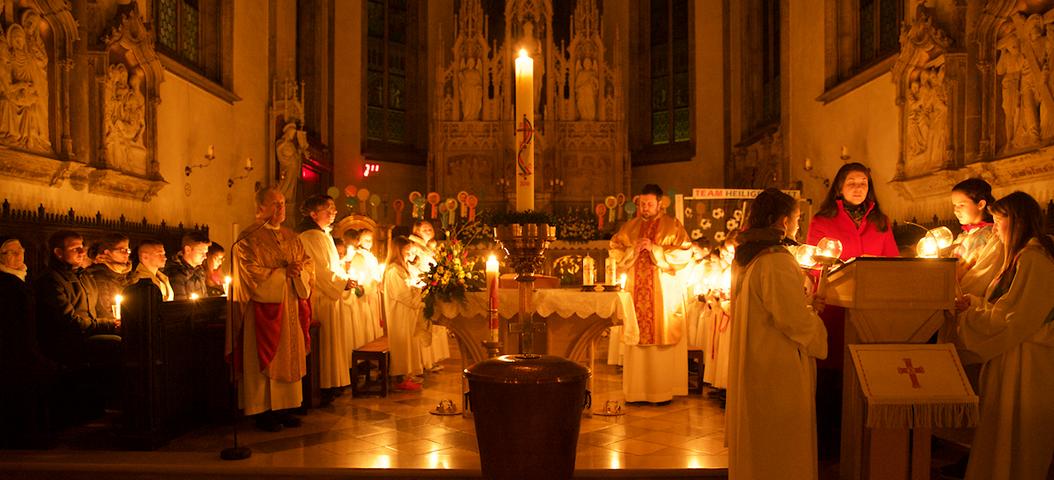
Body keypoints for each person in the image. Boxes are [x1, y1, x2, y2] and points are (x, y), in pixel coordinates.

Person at [947, 191, 1054, 480]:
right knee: (1000, 439)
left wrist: (969, 316)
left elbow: (1012, 321)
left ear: (1016, 221)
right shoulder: (1022, 256)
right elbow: (1005, 306)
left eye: (998, 221)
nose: (994, 228)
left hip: (1029, 363)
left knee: (1018, 441)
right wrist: (974, 303)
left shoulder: (1035, 260)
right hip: (1013, 358)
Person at [727, 188, 828, 480]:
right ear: (783, 221)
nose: (798, 225)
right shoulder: (776, 259)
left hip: (755, 357)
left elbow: (763, 305)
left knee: (758, 442)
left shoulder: (747, 254)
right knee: (780, 446)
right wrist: (814, 324)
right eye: (796, 218)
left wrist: (805, 302)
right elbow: (792, 320)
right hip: (776, 363)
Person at [805, 162, 898, 458]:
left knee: (862, 371)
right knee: (833, 377)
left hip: (870, 307)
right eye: (852, 183)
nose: (858, 188)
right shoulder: (823, 219)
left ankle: (860, 440)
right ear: (839, 188)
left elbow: (892, 259)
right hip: (834, 305)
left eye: (863, 183)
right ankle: (828, 444)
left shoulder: (881, 220)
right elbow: (814, 260)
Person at [228, 187, 314, 432]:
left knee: (290, 356)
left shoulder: (292, 236)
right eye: (274, 204)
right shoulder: (248, 238)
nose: (280, 208)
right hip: (264, 309)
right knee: (266, 355)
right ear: (260, 207)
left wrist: (300, 270)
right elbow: (249, 273)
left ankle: (285, 407)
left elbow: (308, 263)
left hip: (291, 305)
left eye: (283, 203)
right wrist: (281, 273)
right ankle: (263, 411)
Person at [609, 184, 692, 404]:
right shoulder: (629, 227)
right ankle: (636, 392)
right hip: (635, 293)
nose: (645, 208)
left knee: (660, 340)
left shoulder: (672, 225)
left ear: (659, 203)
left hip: (663, 294)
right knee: (636, 339)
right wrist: (632, 251)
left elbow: (685, 252)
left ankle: (662, 392)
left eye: (649, 204)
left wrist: (655, 250)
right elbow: (614, 249)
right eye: (642, 204)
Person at [34, 230, 120, 424]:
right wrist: (106, 324)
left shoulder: (84, 276)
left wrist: (113, 321)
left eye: (83, 247)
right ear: (58, 252)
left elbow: (94, 311)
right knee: (115, 344)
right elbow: (67, 320)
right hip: (64, 340)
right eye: (75, 248)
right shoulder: (50, 280)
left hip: (86, 333)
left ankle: (107, 406)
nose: (82, 252)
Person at [297, 195, 356, 403]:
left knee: (334, 339)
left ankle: (333, 382)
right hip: (322, 296)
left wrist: (343, 279)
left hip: (330, 294)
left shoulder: (322, 235)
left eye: (333, 208)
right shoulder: (311, 236)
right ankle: (324, 384)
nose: (333, 212)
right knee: (327, 341)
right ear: (313, 214)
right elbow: (319, 270)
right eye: (328, 209)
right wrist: (341, 282)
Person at [0, 235, 54, 447]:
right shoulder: (5, 283)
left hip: (30, 345)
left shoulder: (24, 277)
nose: (18, 255)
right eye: (11, 252)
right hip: (11, 349)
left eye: (20, 250)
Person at [948, 178, 1004, 297]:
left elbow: (984, 274)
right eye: (954, 205)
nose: (956, 210)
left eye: (961, 205)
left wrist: (958, 295)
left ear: (980, 204)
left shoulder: (992, 235)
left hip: (968, 299)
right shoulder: (962, 237)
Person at [383, 235, 424, 391]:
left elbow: (410, 287)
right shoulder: (394, 270)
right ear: (398, 251)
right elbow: (402, 294)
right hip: (399, 314)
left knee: (409, 343)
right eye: (407, 251)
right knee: (402, 344)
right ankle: (400, 378)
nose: (409, 254)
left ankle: (407, 374)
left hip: (408, 313)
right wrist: (418, 293)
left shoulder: (403, 268)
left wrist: (417, 288)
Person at [410, 220, 449, 372]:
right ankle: (421, 362)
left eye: (430, 228)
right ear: (417, 231)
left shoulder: (428, 247)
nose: (428, 231)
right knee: (421, 327)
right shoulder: (414, 246)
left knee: (430, 326)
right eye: (424, 228)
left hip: (429, 288)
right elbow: (413, 265)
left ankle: (429, 361)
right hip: (419, 288)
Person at [345, 228, 383, 349]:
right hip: (365, 294)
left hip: (373, 293)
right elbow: (359, 275)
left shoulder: (370, 256)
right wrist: (370, 284)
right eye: (365, 239)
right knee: (366, 322)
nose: (369, 242)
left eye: (370, 240)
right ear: (359, 241)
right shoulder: (358, 256)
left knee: (374, 322)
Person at [86, 233, 134, 327]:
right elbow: (104, 310)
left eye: (128, 250)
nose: (126, 254)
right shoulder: (98, 276)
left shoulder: (127, 274)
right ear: (107, 252)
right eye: (122, 250)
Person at [164, 231, 210, 300]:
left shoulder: (200, 271)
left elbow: (205, 299)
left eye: (206, 252)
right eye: (201, 252)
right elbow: (181, 305)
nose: (205, 256)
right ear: (187, 250)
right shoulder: (176, 274)